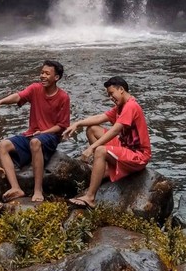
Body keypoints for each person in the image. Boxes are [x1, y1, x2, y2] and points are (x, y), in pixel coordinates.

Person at [0, 59, 70, 203]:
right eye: (42, 72)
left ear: (56, 78)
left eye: (47, 73)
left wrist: (44, 132)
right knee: (2, 146)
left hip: (50, 136)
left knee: (35, 142)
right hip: (31, 134)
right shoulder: (35, 88)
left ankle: (38, 190)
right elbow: (19, 96)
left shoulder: (63, 97)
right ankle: (16, 188)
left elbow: (62, 126)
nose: (42, 76)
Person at [62, 75, 151, 209]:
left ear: (121, 89)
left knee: (100, 150)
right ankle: (104, 169)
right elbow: (100, 118)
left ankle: (90, 197)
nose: (111, 98)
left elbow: (115, 130)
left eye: (111, 93)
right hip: (125, 147)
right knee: (92, 130)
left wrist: (92, 148)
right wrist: (78, 123)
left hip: (138, 155)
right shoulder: (120, 107)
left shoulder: (131, 106)